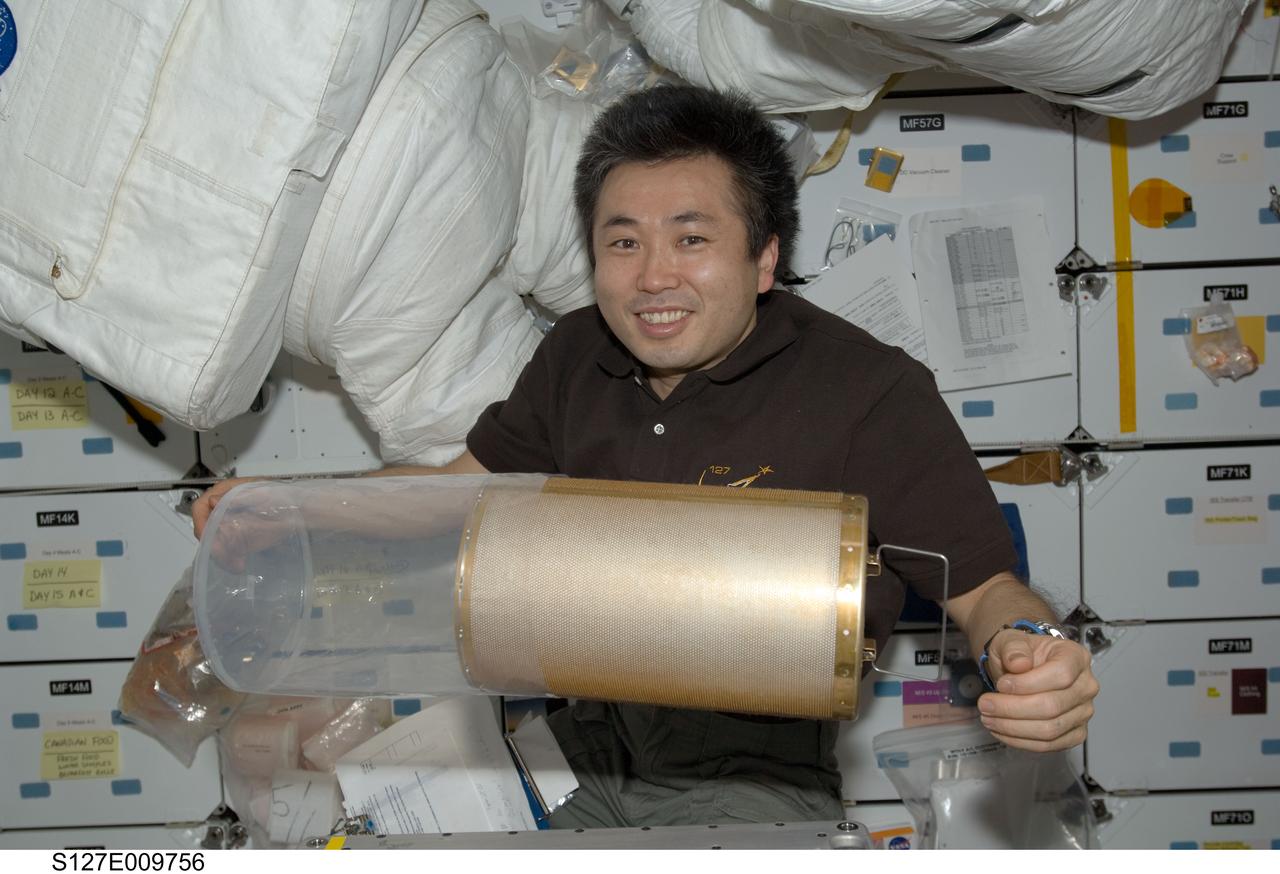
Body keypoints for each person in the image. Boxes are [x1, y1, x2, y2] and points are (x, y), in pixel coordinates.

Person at [194, 84, 1098, 829]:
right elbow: (454, 495)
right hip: (575, 756)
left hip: (753, 788)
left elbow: (986, 593)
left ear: (765, 258)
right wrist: (289, 509)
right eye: (623, 242)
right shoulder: (576, 356)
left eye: (692, 238)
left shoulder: (869, 391)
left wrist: (1035, 650)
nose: (653, 276)